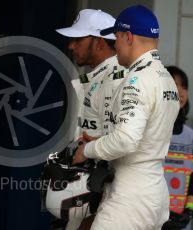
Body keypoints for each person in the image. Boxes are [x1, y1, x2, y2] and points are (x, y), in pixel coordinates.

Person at [73, 5, 180, 230]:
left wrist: (87, 150)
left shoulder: (137, 79)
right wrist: (102, 141)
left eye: (117, 37)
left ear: (128, 37)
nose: (115, 45)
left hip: (130, 198)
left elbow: (126, 140)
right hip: (155, 193)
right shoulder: (166, 77)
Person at [54, 9, 124, 230]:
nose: (71, 46)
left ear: (99, 41)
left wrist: (87, 215)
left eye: (78, 39)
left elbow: (121, 144)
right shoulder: (97, 78)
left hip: (108, 202)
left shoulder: (118, 80)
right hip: (90, 199)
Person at [162, 66, 193, 230]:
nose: (180, 91)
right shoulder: (152, 132)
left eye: (184, 86)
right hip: (151, 218)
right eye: (174, 85)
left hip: (181, 222)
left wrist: (189, 212)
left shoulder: (191, 137)